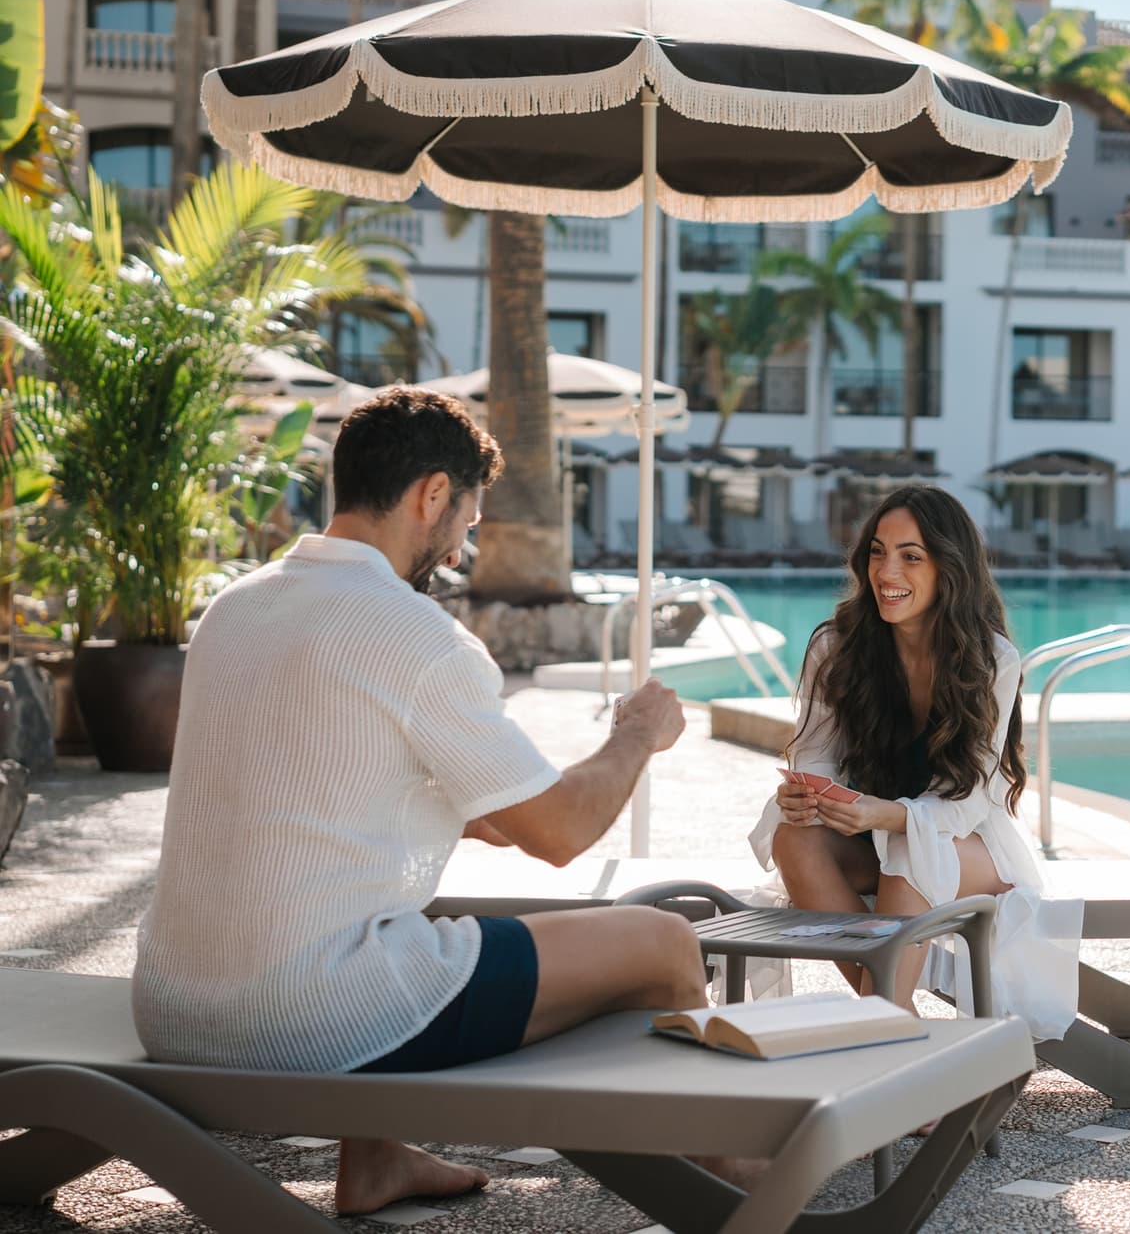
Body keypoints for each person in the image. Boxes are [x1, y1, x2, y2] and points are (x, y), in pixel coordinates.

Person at [133, 387, 714, 1217]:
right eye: (467, 515)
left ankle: (374, 1161)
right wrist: (638, 735)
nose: (464, 539)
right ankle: (740, 1181)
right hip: (308, 1019)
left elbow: (330, 787)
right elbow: (560, 832)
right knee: (661, 943)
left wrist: (484, 806)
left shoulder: (233, 608)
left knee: (396, 902)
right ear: (431, 494)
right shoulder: (418, 635)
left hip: (175, 1007)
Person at [748, 486, 1078, 1039]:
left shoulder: (991, 658)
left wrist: (886, 816)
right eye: (878, 551)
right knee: (792, 837)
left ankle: (885, 1040)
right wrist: (807, 796)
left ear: (950, 568)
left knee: (912, 844)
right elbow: (816, 759)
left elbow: (970, 799)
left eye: (911, 555)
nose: (886, 570)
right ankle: (903, 1034)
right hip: (868, 833)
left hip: (972, 844)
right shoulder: (837, 647)